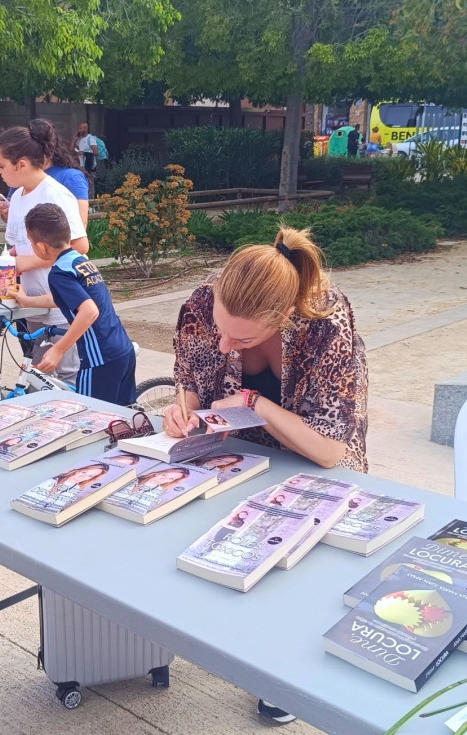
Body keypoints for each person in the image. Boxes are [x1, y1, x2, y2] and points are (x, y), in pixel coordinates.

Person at [164, 226, 366, 725]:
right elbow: (190, 381)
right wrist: (181, 410)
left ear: (285, 316)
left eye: (243, 338)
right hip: (240, 459)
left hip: (312, 468)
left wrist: (255, 402)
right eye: (221, 328)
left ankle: (288, 674)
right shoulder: (203, 302)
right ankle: (246, 645)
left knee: (299, 578)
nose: (225, 344)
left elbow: (328, 450)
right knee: (224, 553)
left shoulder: (326, 321)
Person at [12, 203, 135, 405]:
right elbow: (65, 298)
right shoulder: (79, 261)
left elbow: (89, 311)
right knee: (121, 416)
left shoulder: (59, 273)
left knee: (88, 417)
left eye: (31, 242)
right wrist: (27, 301)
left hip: (99, 359)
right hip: (122, 348)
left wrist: (58, 349)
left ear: (41, 246)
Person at [0, 125, 89, 385]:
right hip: (32, 303)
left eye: (1, 166)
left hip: (60, 304)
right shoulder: (18, 197)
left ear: (21, 165)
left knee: (68, 377)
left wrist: (29, 262)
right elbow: (20, 245)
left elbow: (80, 247)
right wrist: (10, 260)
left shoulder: (56, 194)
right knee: (40, 376)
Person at [73, 122, 99, 197]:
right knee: (83, 184)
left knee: (90, 184)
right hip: (81, 165)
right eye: (79, 128)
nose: (79, 130)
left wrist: (85, 153)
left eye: (81, 128)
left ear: (86, 129)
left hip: (89, 165)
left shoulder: (90, 139)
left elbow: (96, 152)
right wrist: (74, 140)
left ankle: (91, 200)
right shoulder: (80, 140)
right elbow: (72, 149)